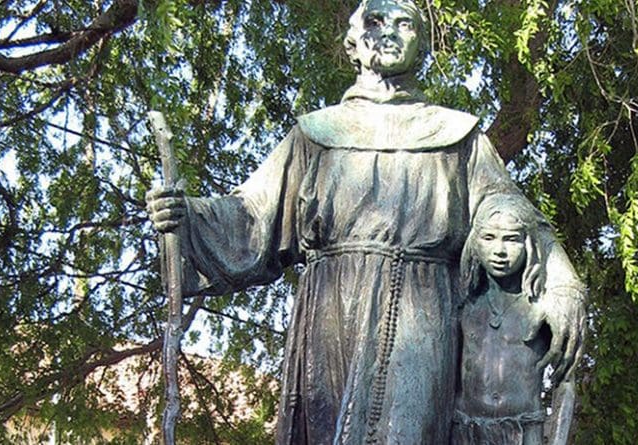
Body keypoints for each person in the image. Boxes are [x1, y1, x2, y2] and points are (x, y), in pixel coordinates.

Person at [146, 0, 585, 443]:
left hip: (420, 315)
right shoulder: (317, 134)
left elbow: (514, 215)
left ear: (423, 44)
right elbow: (252, 216)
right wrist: (187, 218)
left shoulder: (457, 137)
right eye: (375, 22)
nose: (388, 32)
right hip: (329, 316)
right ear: (353, 41)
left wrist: (562, 286)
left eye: (404, 23)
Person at [453, 195, 551, 445]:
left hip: (524, 431)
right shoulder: (462, 304)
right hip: (466, 430)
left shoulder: (541, 307)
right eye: (489, 238)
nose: (500, 251)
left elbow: (567, 383)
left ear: (528, 244)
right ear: (475, 242)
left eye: (511, 239)